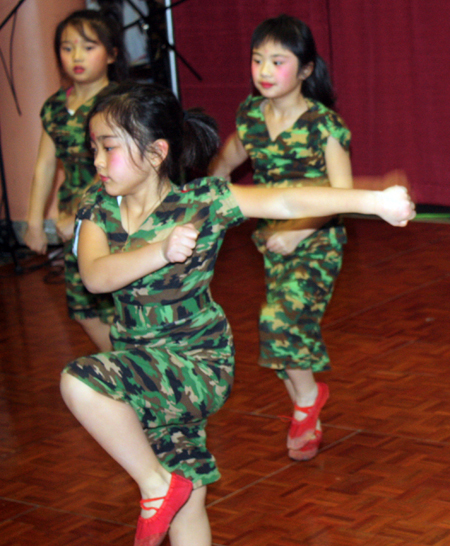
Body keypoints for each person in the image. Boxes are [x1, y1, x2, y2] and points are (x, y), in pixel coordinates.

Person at [59, 81, 414, 546]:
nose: (98, 162)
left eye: (108, 148)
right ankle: (165, 486)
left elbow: (286, 199)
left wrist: (374, 201)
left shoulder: (203, 201)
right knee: (189, 499)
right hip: (143, 368)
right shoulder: (96, 204)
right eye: (93, 149)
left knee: (79, 382)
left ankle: (155, 487)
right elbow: (96, 277)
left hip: (197, 363)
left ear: (155, 152)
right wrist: (161, 251)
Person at [210, 14, 359, 460]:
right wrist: (206, 194)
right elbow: (226, 161)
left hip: (317, 240)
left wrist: (297, 232)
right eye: (258, 60)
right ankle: (306, 400)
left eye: (278, 61)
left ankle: (307, 402)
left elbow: (342, 197)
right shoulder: (251, 116)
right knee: (284, 329)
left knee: (279, 321)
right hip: (272, 241)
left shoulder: (325, 126)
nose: (264, 71)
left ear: (306, 69)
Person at [24, 9, 128, 351]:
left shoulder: (118, 104)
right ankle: (124, 369)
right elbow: (45, 165)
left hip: (114, 214)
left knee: (119, 306)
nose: (76, 56)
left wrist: (80, 216)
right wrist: (34, 222)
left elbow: (120, 169)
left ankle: (137, 374)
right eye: (67, 48)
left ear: (112, 54)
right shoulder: (55, 107)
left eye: (87, 46)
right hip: (73, 219)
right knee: (83, 309)